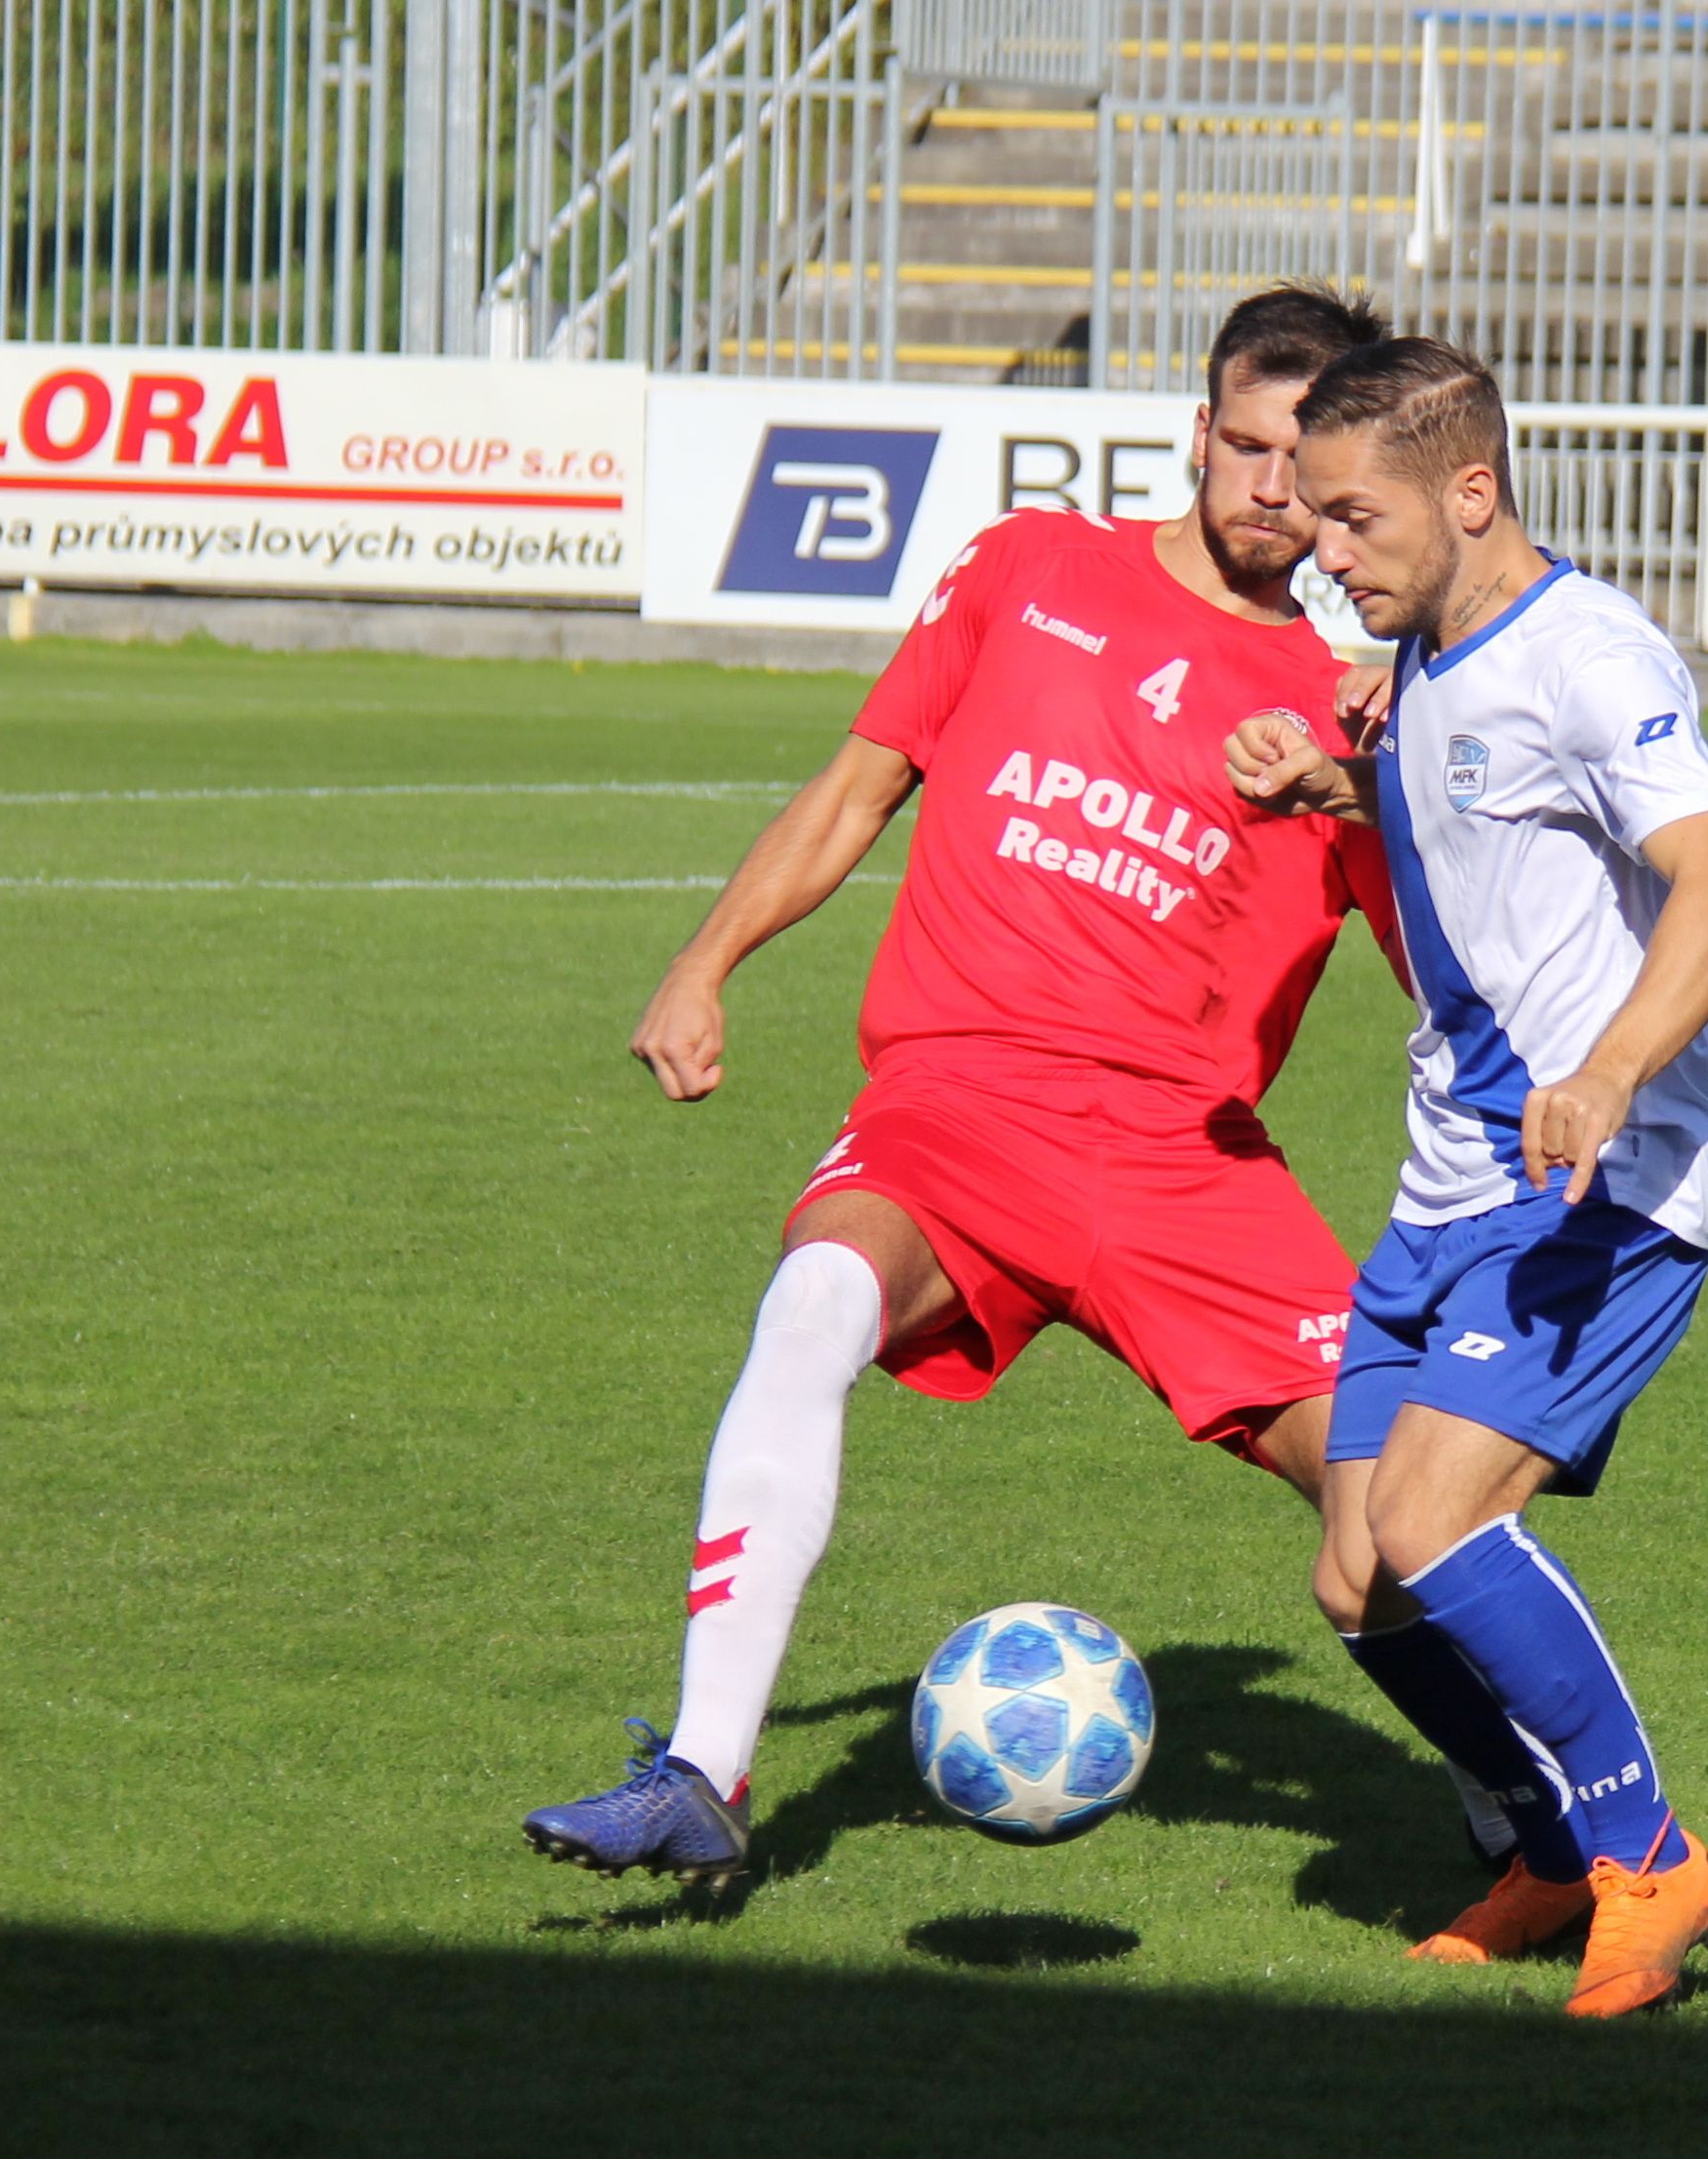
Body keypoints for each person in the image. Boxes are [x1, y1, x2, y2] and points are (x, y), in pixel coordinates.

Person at [520, 285, 1415, 1889]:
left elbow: (1452, 968)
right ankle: (702, 1772)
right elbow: (857, 788)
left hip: (1182, 1156)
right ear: (1198, 431)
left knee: (1403, 1505)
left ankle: (1531, 1821)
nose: (1274, 487)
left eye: (1308, 460)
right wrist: (705, 961)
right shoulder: (1029, 571)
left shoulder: (1350, 714)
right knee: (812, 1303)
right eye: (1249, 444)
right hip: (958, 1106)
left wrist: (1397, 788)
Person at [1227, 339, 1708, 2018]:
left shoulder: (1589, 655)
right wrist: (1339, 783)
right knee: (1356, 1573)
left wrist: (1608, 1072)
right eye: (1313, 515)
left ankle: (1647, 1854)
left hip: (1606, 1174)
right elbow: (1475, 815)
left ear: (1470, 492)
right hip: (1449, 1177)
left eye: (1353, 516)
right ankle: (1544, 1847)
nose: (1321, 547)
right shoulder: (1427, 649)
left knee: (1434, 1516)